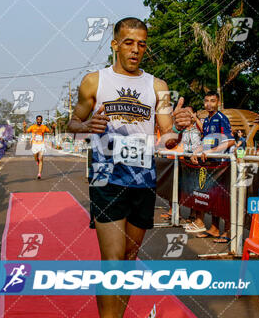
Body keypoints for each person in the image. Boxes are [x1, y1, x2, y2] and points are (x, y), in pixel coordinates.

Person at [67, 17, 192, 318]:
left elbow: (168, 136)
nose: (136, 50)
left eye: (142, 44)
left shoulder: (158, 86)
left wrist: (181, 127)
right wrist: (86, 125)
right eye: (129, 43)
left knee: (129, 257)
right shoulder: (94, 81)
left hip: (143, 177)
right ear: (115, 44)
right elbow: (71, 124)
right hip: (106, 177)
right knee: (111, 260)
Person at [188, 91, 235, 242]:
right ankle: (214, 229)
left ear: (218, 103)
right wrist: (196, 152)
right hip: (211, 165)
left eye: (212, 101)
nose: (209, 104)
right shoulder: (206, 121)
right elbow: (205, 142)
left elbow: (230, 141)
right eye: (207, 101)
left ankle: (227, 233)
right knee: (213, 198)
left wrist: (211, 152)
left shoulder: (221, 118)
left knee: (224, 199)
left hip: (223, 164)